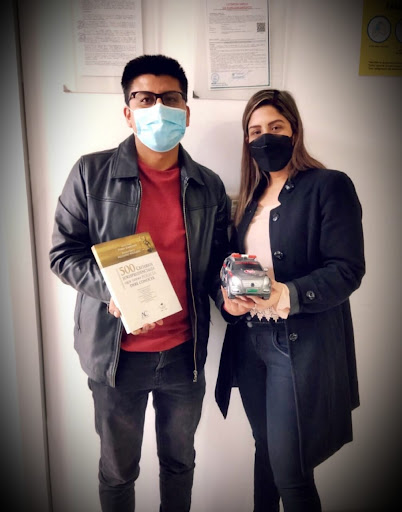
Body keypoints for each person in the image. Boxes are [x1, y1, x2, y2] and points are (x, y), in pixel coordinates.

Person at [49, 54, 230, 512]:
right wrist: (110, 289)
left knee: (180, 464)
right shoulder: (90, 174)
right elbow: (62, 254)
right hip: (116, 357)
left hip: (183, 355)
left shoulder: (208, 186)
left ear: (186, 112)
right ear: (128, 112)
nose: (158, 108)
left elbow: (215, 265)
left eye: (170, 98)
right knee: (117, 472)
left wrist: (233, 292)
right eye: (145, 98)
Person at [215, 89, 365, 511]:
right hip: (250, 344)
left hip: (296, 346)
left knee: (292, 473)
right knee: (265, 453)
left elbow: (347, 269)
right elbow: (234, 266)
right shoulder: (249, 200)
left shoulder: (329, 186)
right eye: (255, 131)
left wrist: (286, 293)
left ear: (294, 131)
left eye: (275, 126)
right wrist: (230, 300)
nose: (264, 137)